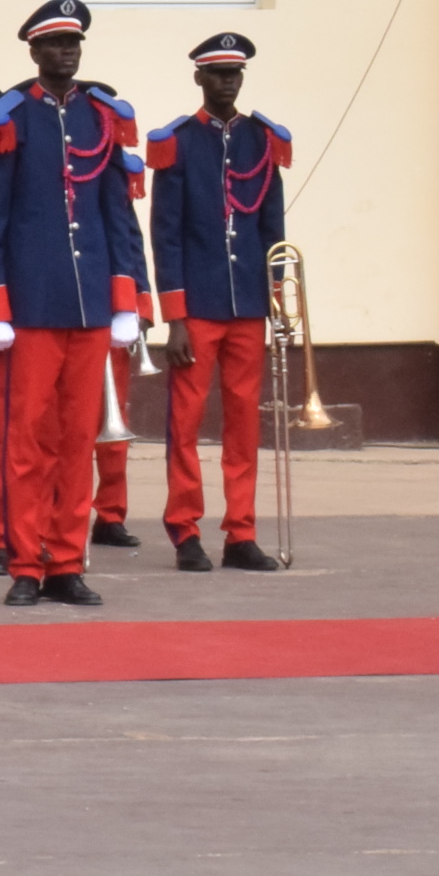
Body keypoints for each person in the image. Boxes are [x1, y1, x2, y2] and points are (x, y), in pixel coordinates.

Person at [0, 0, 147, 608]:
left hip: (90, 306)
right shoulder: (8, 118)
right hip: (31, 308)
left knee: (77, 441)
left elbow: (118, 215)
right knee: (26, 443)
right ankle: (25, 565)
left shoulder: (103, 116)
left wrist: (127, 301)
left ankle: (66, 563)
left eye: (74, 43)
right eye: (55, 44)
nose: (66, 52)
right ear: (34, 51)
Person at [147, 33, 292, 574]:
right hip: (198, 309)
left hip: (249, 306)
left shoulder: (263, 141)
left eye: (235, 73)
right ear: (199, 78)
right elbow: (166, 235)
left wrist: (277, 301)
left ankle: (241, 533)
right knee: (185, 423)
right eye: (218, 73)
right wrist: (175, 318)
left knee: (244, 424)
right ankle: (185, 530)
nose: (228, 82)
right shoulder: (179, 142)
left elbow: (273, 231)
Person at [80, 79, 155, 552]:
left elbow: (131, 242)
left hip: (114, 308)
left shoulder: (117, 168)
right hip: (72, 308)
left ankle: (110, 513)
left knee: (114, 419)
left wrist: (140, 305)